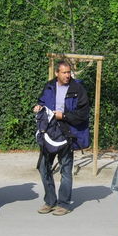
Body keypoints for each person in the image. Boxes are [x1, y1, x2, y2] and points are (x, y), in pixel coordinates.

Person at [33, 60, 90, 216]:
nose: (67, 75)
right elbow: (42, 102)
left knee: (66, 169)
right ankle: (50, 201)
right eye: (64, 72)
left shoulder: (78, 89)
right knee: (44, 167)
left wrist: (63, 116)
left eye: (68, 72)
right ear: (57, 73)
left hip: (67, 134)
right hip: (49, 133)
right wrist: (38, 106)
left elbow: (83, 114)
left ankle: (64, 204)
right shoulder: (49, 86)